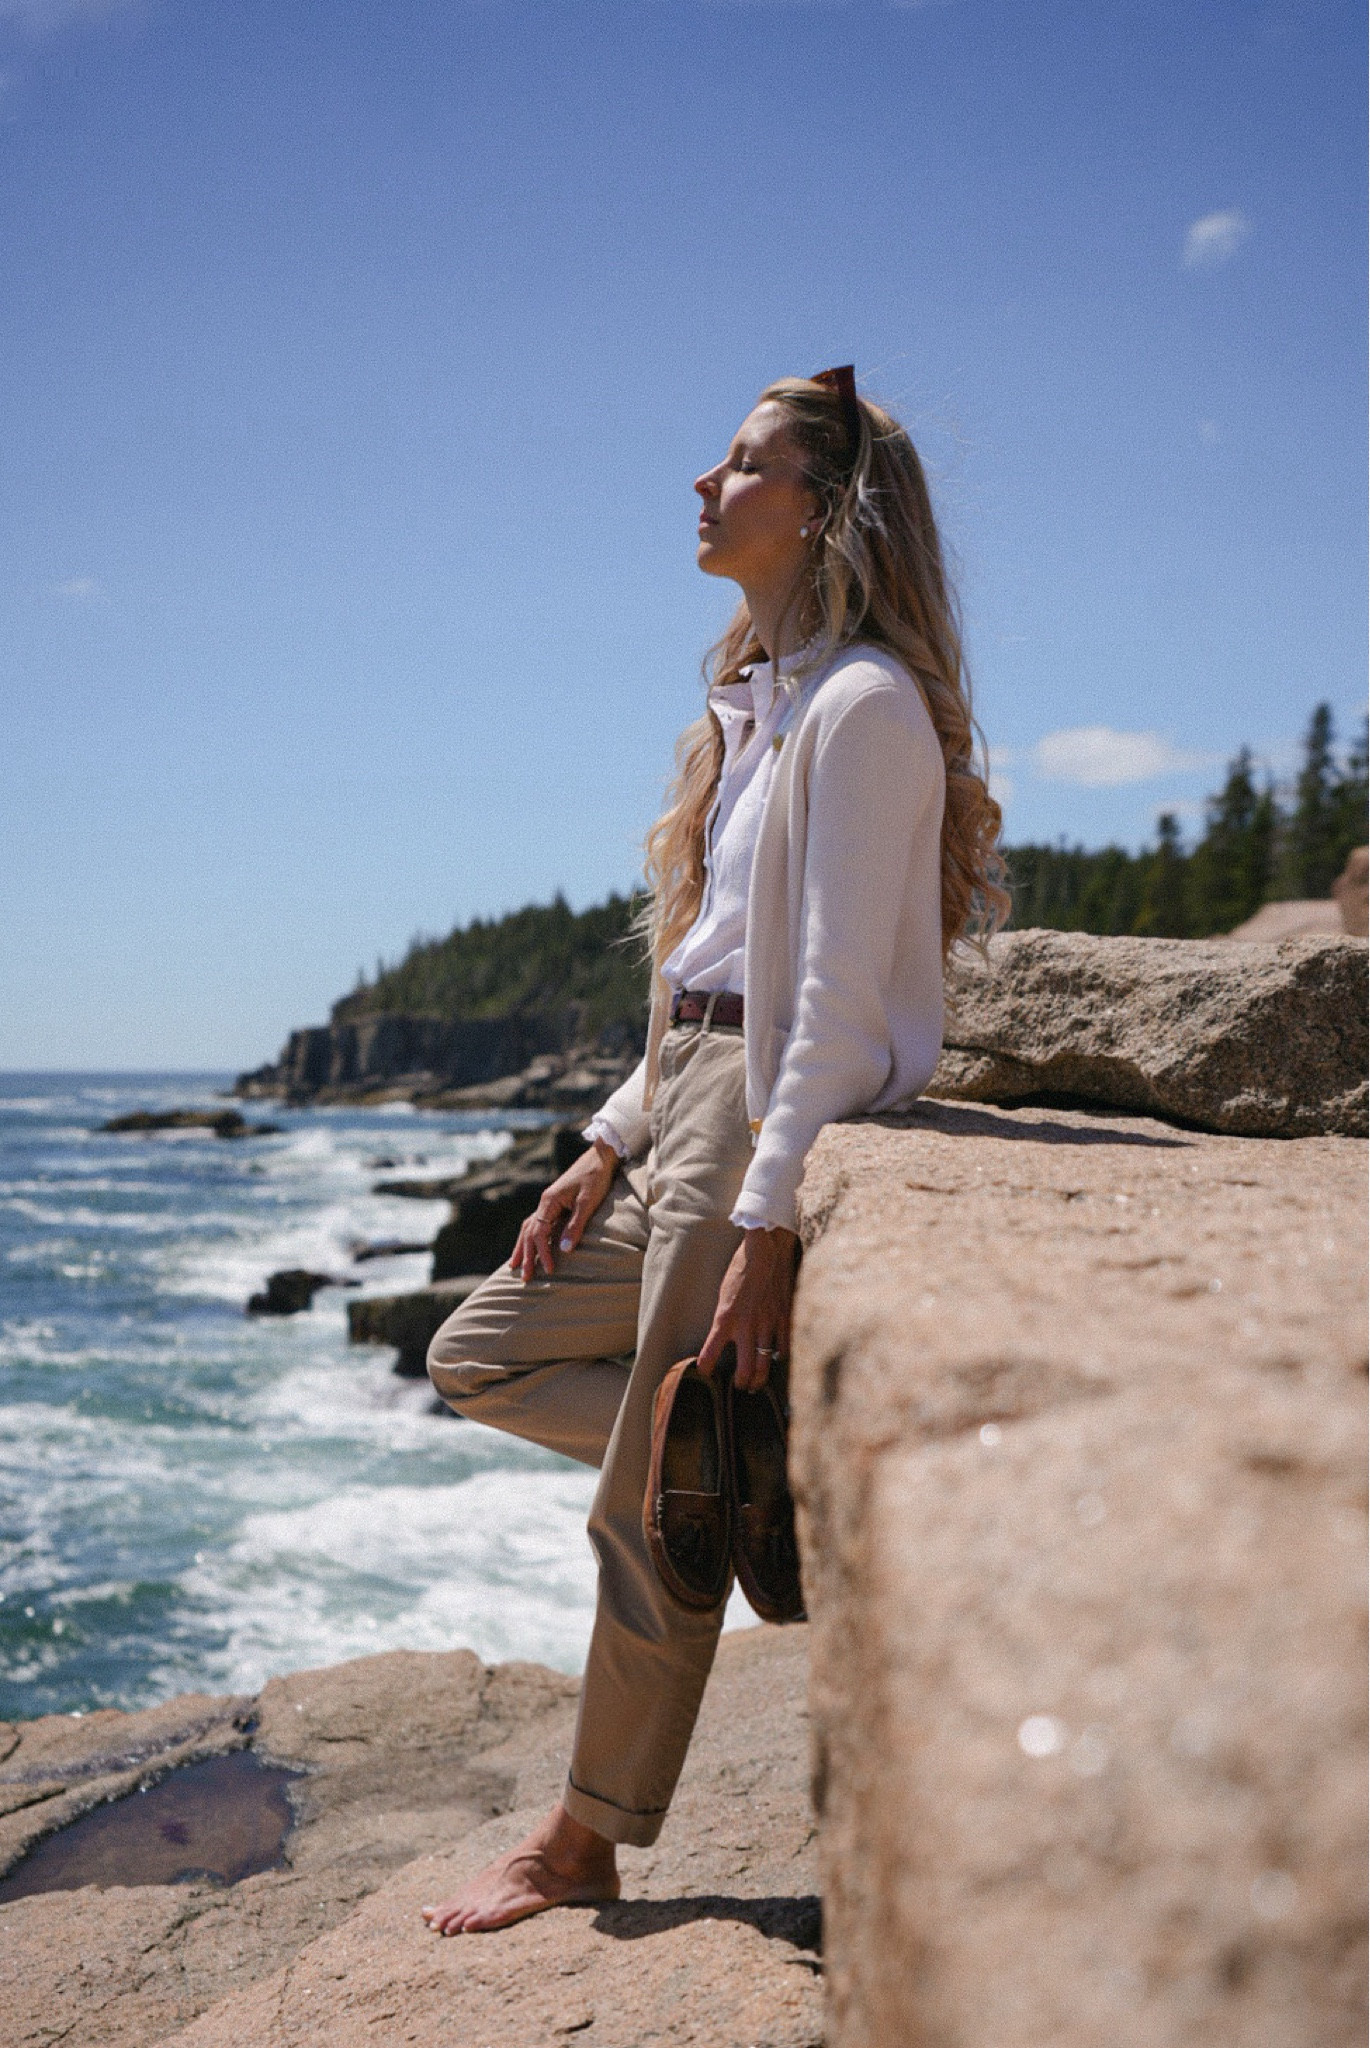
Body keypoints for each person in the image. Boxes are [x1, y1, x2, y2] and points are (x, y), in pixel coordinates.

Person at [421, 366, 1006, 1935]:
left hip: (761, 1115)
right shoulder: (755, 707)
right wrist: (600, 1142)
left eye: (743, 466)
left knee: (637, 1504)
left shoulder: (864, 707)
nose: (702, 484)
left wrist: (768, 1226)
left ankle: (584, 1840)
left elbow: (819, 996)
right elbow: (709, 964)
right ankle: (776, 1486)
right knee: (476, 1352)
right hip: (682, 1097)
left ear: (823, 509)